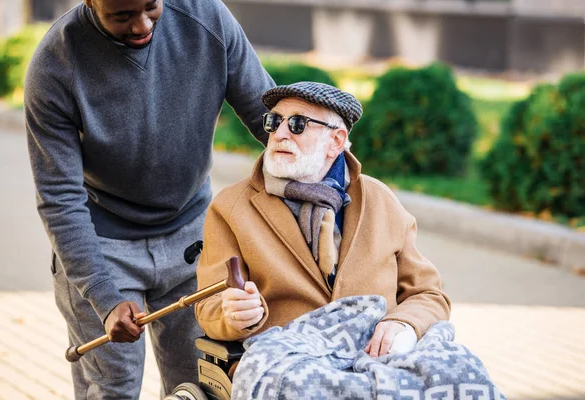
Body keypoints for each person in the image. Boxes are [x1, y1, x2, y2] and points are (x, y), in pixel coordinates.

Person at [24, 0, 273, 397]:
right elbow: (59, 197)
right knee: (113, 390)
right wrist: (104, 299)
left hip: (191, 237)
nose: (141, 25)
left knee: (197, 386)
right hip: (103, 246)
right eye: (122, 15)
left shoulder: (205, 17)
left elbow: (270, 119)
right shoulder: (55, 66)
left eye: (151, 6)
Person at [195, 82, 451, 357]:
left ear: (336, 142)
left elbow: (428, 294)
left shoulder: (379, 200)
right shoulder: (231, 207)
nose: (280, 133)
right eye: (274, 121)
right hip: (288, 364)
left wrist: (402, 323)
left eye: (298, 124)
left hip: (377, 361)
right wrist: (233, 315)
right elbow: (208, 304)